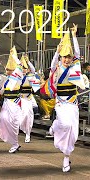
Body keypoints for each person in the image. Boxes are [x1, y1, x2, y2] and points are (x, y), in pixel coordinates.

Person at [48, 24, 85, 172]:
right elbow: (52, 65)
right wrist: (57, 53)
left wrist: (74, 36)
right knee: (65, 124)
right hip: (61, 103)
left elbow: (77, 52)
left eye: (69, 57)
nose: (67, 59)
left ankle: (66, 158)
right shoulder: (57, 68)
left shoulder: (75, 68)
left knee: (72, 130)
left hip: (73, 103)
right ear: (62, 58)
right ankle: (56, 125)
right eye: (65, 57)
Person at [0, 46, 24, 153]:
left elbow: (20, 65)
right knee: (3, 120)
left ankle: (15, 143)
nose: (8, 71)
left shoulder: (18, 77)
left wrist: (13, 56)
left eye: (10, 70)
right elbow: (2, 91)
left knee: (14, 123)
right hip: (6, 104)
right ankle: (13, 142)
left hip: (15, 103)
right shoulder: (6, 80)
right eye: (7, 69)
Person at [18, 55, 40, 143]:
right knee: (22, 116)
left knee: (29, 115)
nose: (24, 69)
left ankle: (28, 133)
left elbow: (33, 71)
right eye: (22, 68)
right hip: (20, 99)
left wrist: (28, 62)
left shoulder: (30, 77)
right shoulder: (17, 77)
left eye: (25, 68)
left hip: (29, 99)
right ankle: (20, 127)